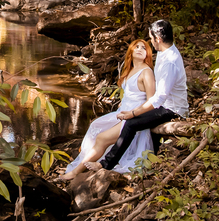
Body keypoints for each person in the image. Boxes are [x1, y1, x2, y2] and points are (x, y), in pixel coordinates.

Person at [97, 18, 188, 172]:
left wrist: (133, 113)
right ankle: (151, 160)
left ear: (158, 39)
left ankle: (106, 164)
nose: (150, 42)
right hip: (164, 105)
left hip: (173, 110)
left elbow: (160, 98)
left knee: (132, 123)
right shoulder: (164, 52)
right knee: (138, 121)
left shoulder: (170, 61)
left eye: (151, 38)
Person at [61, 39, 156, 180]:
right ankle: (90, 161)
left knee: (102, 138)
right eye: (137, 47)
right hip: (122, 112)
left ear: (148, 53)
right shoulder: (130, 70)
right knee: (95, 126)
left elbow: (152, 101)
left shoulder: (146, 72)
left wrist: (133, 114)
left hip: (134, 116)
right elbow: (131, 93)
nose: (140, 49)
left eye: (144, 48)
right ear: (131, 50)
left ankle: (76, 172)